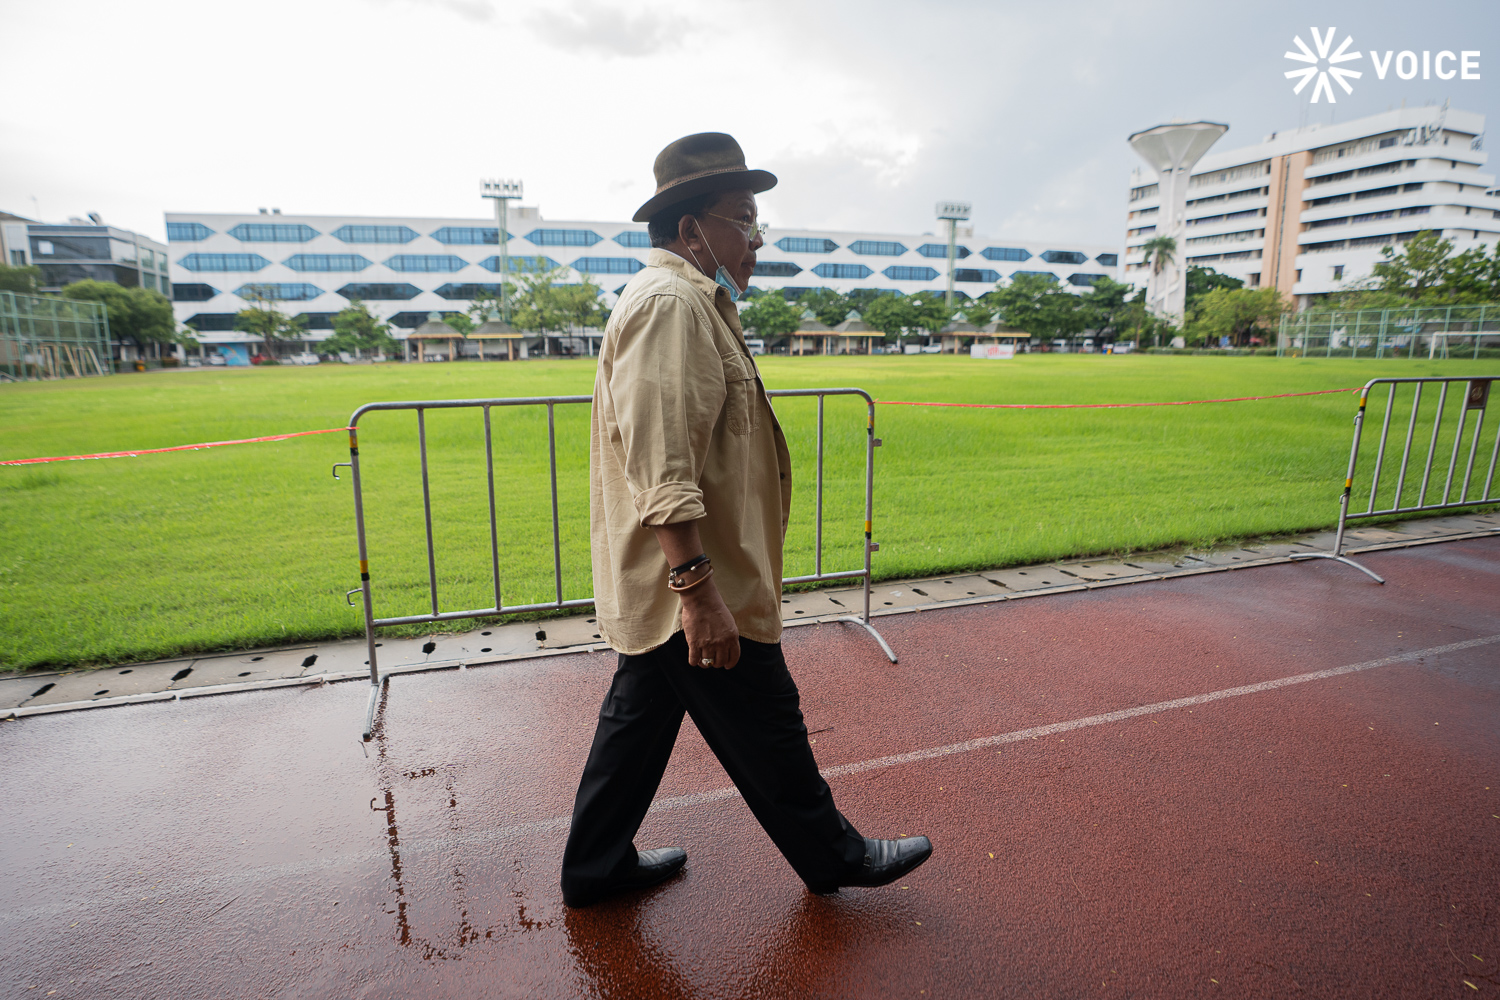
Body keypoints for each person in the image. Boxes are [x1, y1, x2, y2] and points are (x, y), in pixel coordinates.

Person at [560, 132, 932, 908]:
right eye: (743, 217)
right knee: (767, 717)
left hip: (684, 578)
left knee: (639, 718)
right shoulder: (671, 305)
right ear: (691, 228)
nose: (757, 236)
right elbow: (664, 463)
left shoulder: (694, 301)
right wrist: (698, 590)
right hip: (698, 578)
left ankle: (595, 867)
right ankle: (834, 855)